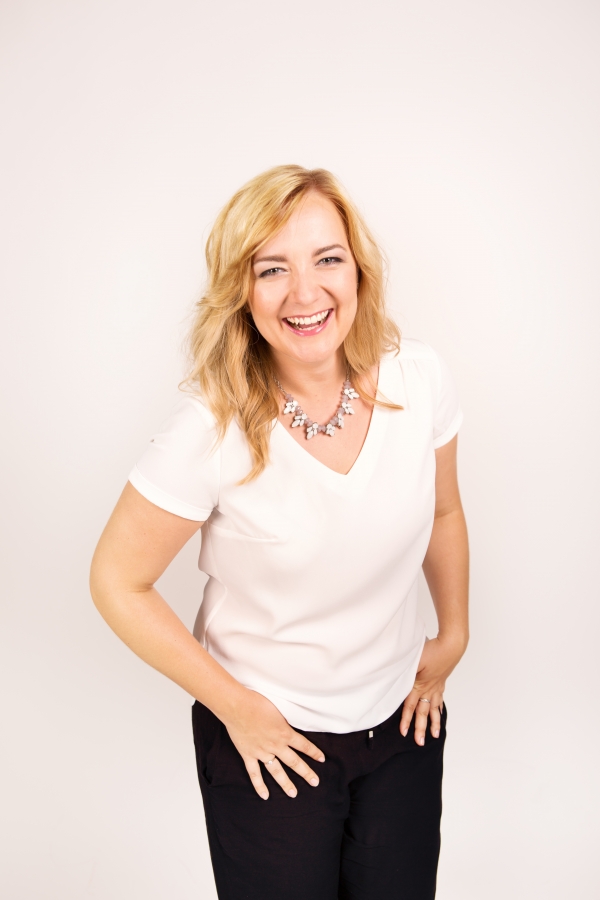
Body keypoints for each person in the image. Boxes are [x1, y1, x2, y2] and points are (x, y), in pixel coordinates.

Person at [90, 164, 469, 900]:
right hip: (272, 745)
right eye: (272, 269)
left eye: (327, 258)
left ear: (358, 270)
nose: (305, 293)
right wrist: (238, 709)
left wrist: (452, 635)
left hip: (403, 726)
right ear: (242, 291)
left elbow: (446, 513)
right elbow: (116, 581)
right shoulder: (211, 430)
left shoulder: (419, 380)